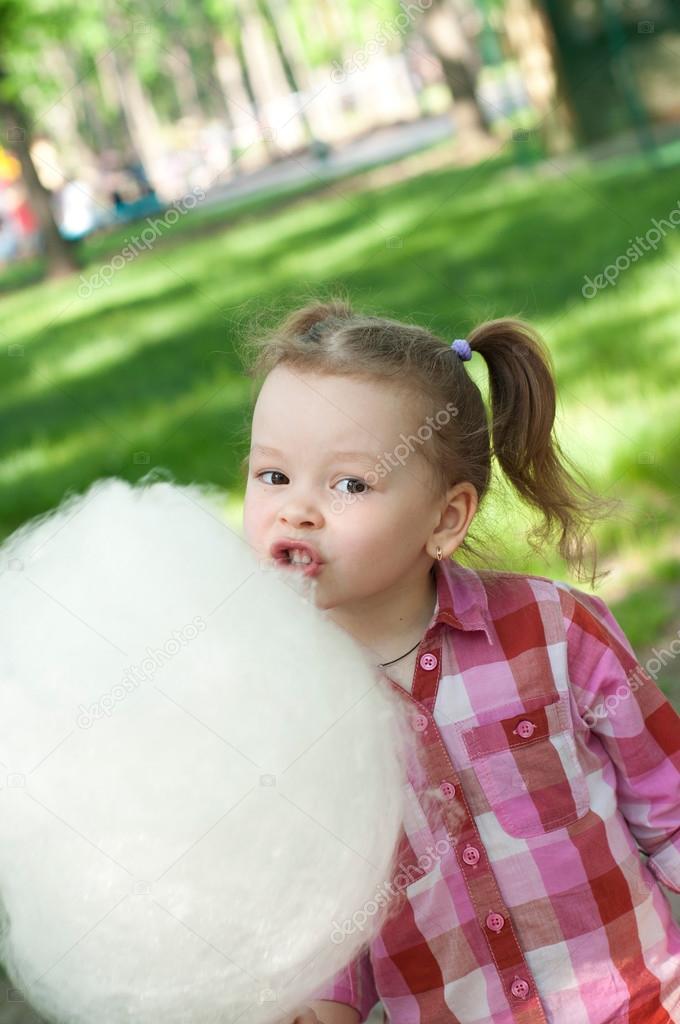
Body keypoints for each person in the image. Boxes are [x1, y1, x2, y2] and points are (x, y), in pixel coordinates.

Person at [240, 298, 680, 1024]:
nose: (297, 511)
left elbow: (669, 809)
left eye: (349, 484)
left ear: (445, 519)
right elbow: (321, 920)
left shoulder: (557, 632)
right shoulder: (279, 708)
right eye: (272, 476)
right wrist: (321, 1004)